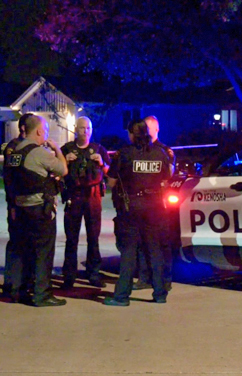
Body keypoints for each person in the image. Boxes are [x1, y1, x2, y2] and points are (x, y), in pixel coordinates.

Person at [104, 117, 173, 306]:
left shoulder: (124, 154)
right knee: (154, 249)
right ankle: (160, 294)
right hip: (155, 206)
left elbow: (111, 182)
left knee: (129, 252)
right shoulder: (160, 153)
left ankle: (121, 297)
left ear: (132, 134)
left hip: (131, 207)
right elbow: (168, 176)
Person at [10, 115, 68, 307]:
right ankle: (42, 294)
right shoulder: (38, 153)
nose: (47, 134)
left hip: (21, 208)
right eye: (46, 130)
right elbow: (62, 169)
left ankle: (20, 290)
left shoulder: (16, 152)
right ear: (39, 131)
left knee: (24, 251)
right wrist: (57, 150)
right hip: (39, 209)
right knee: (44, 252)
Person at [59, 116, 110, 289]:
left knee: (93, 238)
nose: (85, 131)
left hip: (93, 197)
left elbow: (109, 172)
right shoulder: (66, 149)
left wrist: (101, 162)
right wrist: (65, 161)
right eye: (82, 128)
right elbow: (57, 172)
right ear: (76, 129)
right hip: (74, 196)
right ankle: (69, 276)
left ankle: (93, 273)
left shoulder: (99, 149)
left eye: (88, 128)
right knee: (71, 239)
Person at [132, 115, 176, 292]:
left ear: (157, 130)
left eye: (148, 129)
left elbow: (169, 175)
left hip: (160, 203)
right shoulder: (138, 150)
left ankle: (165, 279)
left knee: (163, 242)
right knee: (142, 242)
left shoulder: (165, 151)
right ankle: (144, 278)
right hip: (143, 203)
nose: (145, 133)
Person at [2, 113, 34, 299]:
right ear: (23, 129)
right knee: (17, 244)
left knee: (27, 244)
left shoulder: (28, 147)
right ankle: (13, 286)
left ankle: (23, 283)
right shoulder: (13, 149)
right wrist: (12, 204)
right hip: (16, 204)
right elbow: (10, 179)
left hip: (25, 204)